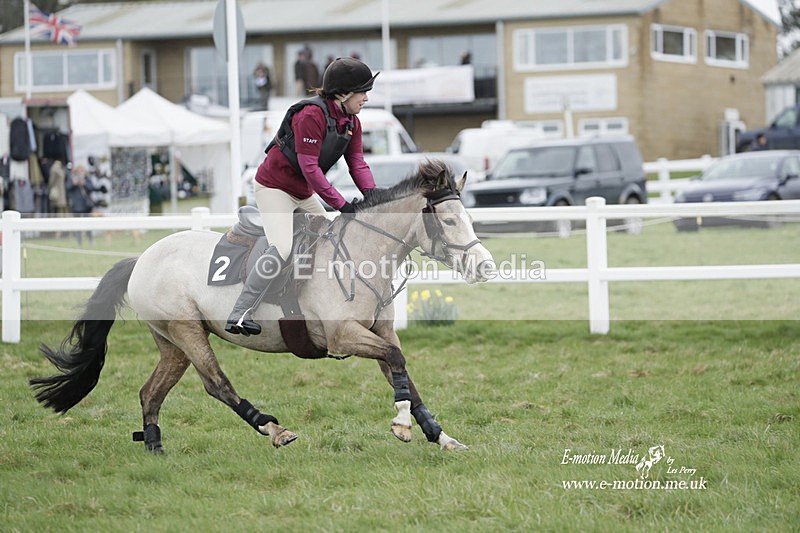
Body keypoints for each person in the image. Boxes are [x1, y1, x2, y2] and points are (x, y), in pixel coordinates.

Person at [226, 57, 379, 335]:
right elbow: (310, 168)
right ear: (344, 93)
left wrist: (373, 197)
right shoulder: (311, 115)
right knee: (283, 248)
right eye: (363, 91)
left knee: (331, 242)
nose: (366, 98)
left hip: (302, 192)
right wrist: (341, 204)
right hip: (274, 188)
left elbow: (357, 163)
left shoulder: (351, 121)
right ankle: (239, 312)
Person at [66, 165, 95, 246]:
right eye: (79, 170)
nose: (80, 172)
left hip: (86, 206)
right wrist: (74, 183)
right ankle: (79, 242)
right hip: (76, 206)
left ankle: (90, 240)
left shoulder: (87, 179)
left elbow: (92, 187)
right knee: (77, 226)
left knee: (88, 225)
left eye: (82, 170)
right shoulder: (71, 178)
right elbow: (67, 187)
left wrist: (84, 183)